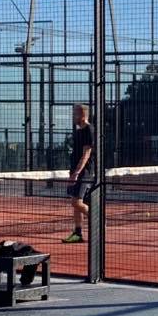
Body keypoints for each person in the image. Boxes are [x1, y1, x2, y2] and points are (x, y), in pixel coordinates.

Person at [62, 103, 94, 245]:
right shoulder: (78, 131)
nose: (73, 116)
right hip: (75, 171)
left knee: (77, 202)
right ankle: (78, 233)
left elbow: (86, 154)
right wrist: (72, 172)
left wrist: (77, 172)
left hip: (84, 172)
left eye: (75, 114)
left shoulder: (89, 130)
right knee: (75, 203)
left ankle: (98, 219)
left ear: (82, 115)